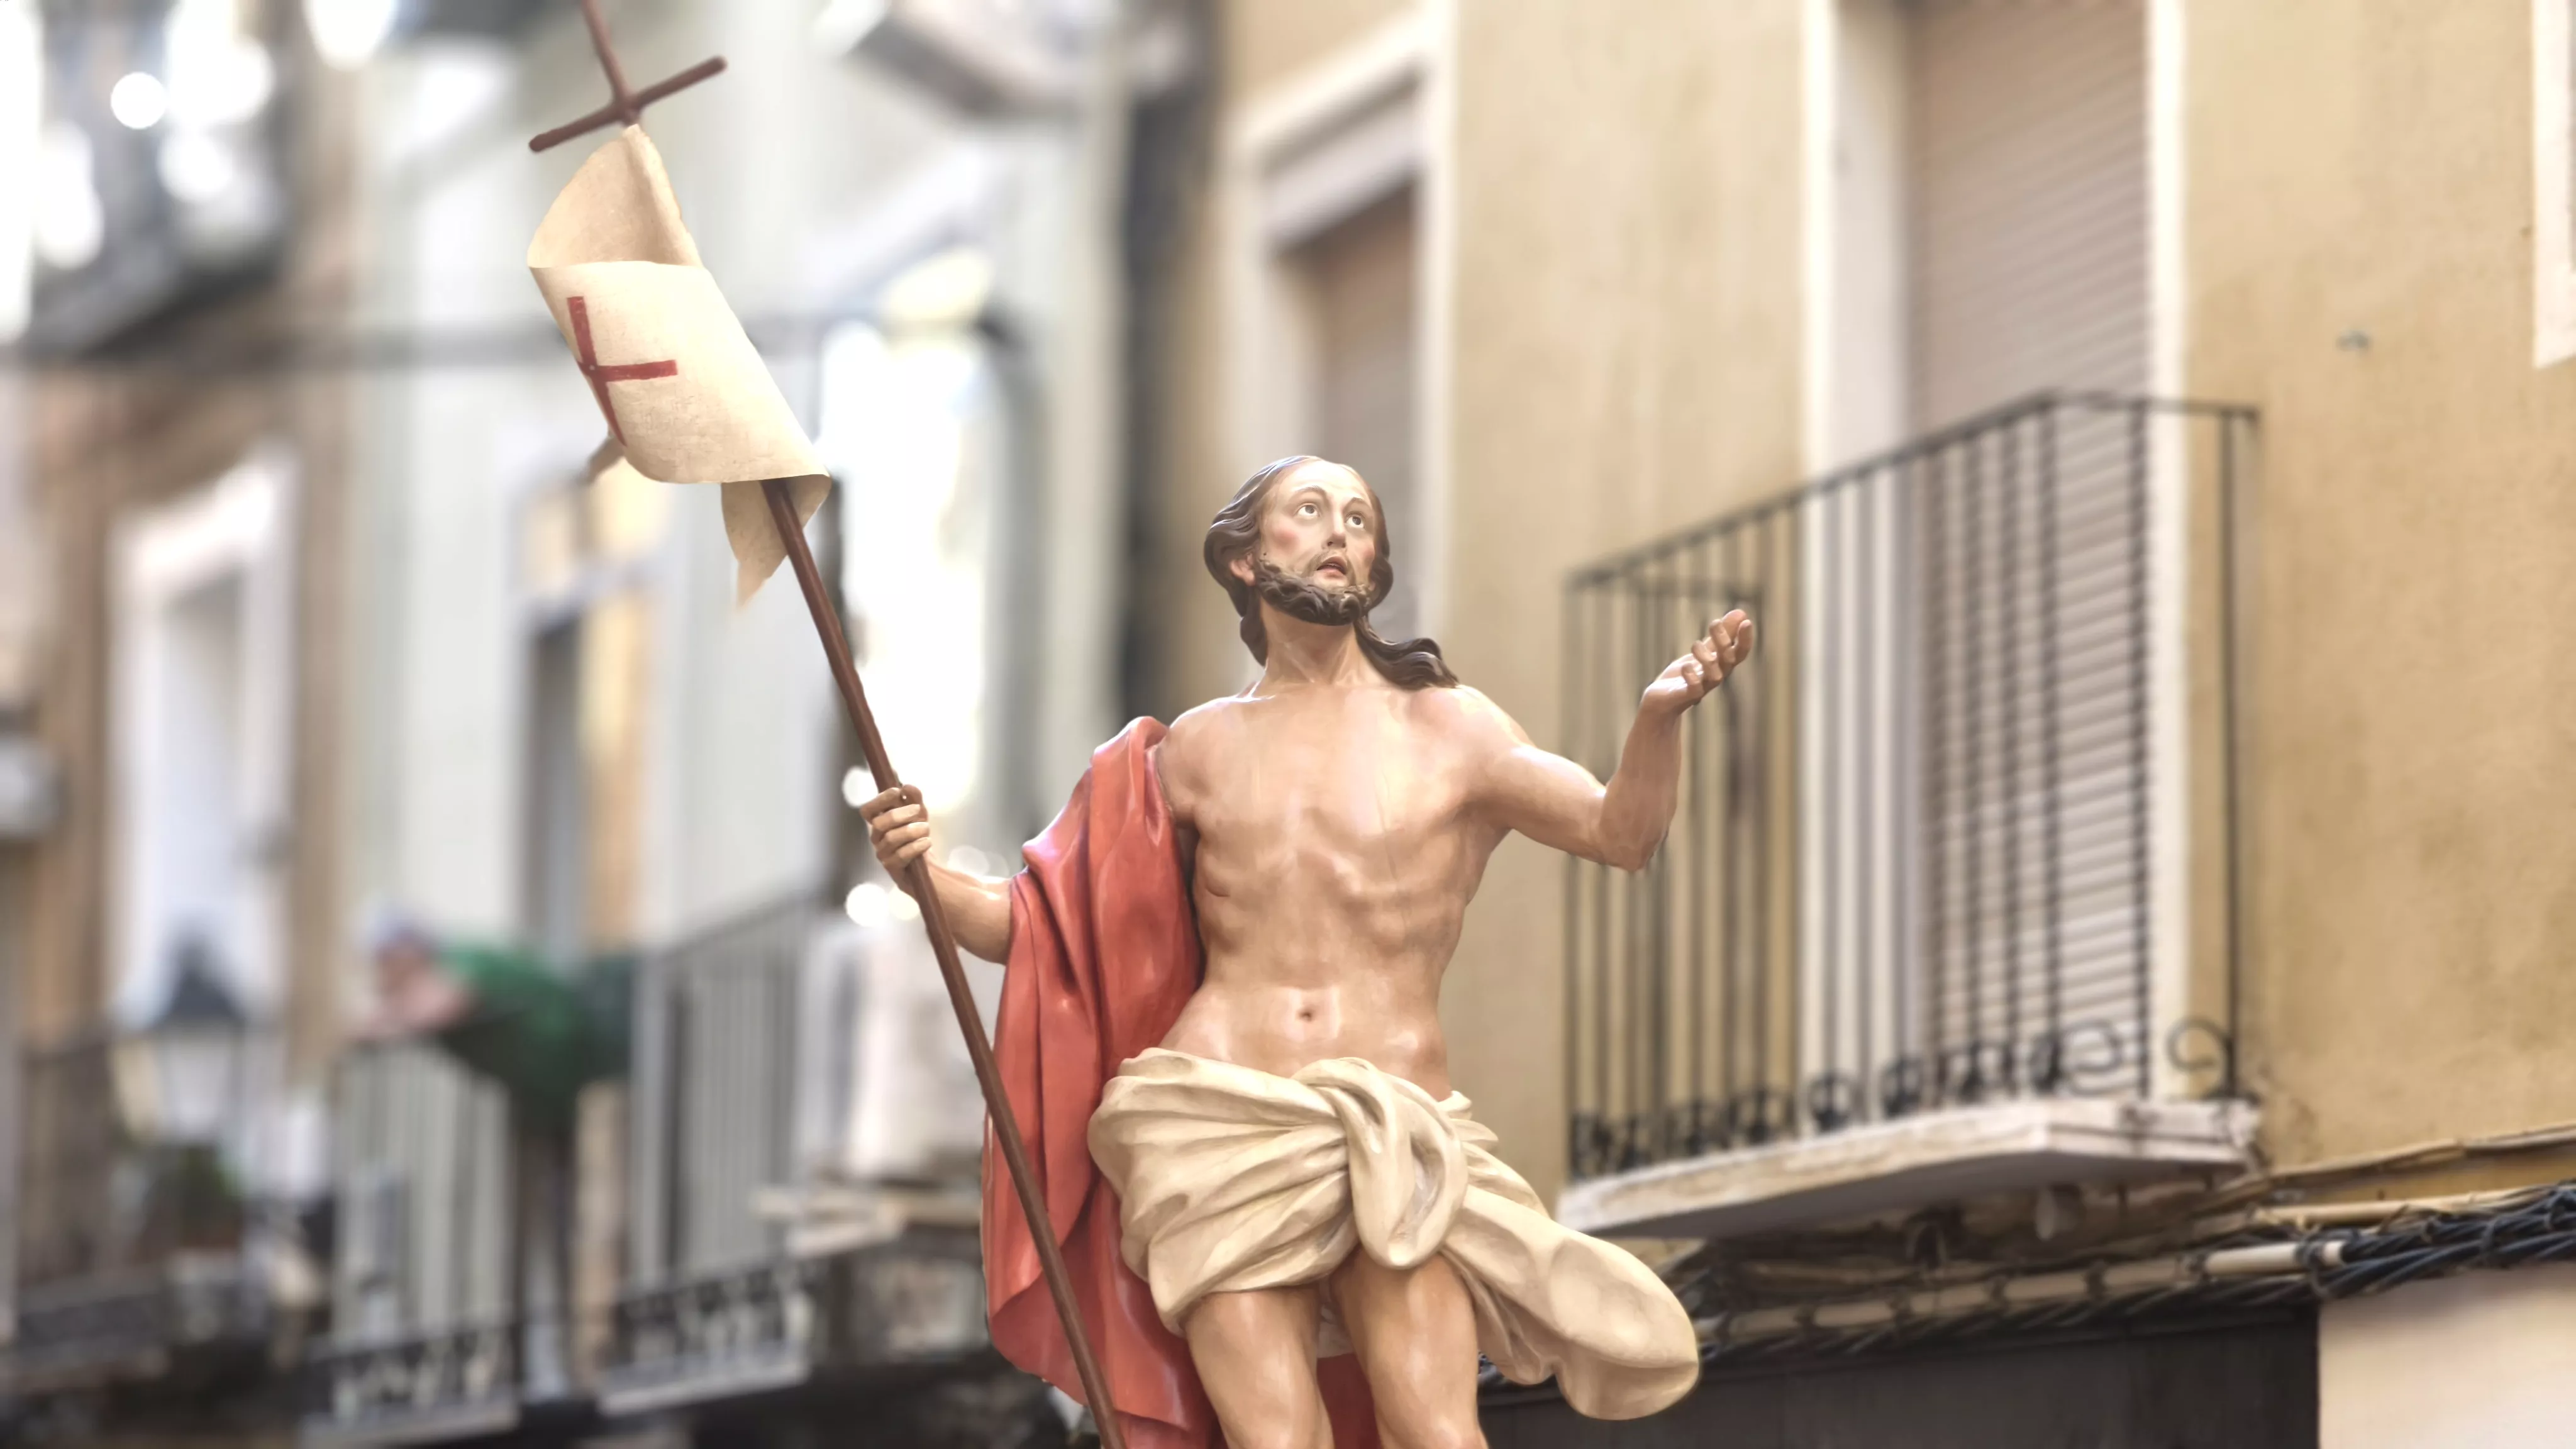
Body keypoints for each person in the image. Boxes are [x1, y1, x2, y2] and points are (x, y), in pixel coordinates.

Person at [862, 456, 1752, 1449]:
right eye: (1312, 511)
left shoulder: (1453, 730)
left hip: (1395, 1130)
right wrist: (919, 873)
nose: (1340, 534)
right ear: (1245, 559)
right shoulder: (1187, 751)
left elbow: (1619, 834)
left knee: (1437, 1433)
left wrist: (1656, 723)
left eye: (1361, 520)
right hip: (1216, 1125)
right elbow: (1038, 930)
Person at [359, 910, 630, 1138]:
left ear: (409, 950)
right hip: (555, 1097)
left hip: (596, 1062)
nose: (381, 970)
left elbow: (441, 1007)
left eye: (385, 958)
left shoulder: (461, 959)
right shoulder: (440, 971)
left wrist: (387, 1017)